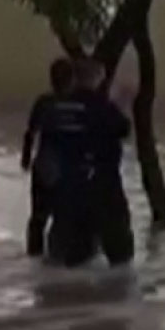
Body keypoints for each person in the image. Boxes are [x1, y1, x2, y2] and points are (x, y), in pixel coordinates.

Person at [55, 58, 134, 267]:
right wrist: (123, 105)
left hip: (69, 184)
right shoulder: (101, 107)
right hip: (103, 181)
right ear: (97, 79)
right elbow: (123, 129)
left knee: (76, 248)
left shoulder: (61, 106)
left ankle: (73, 292)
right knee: (119, 247)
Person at [21, 57, 76, 258]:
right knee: (60, 216)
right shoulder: (75, 104)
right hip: (65, 168)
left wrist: (26, 159)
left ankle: (35, 258)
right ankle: (53, 257)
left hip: (46, 166)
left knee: (39, 217)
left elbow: (30, 133)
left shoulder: (44, 102)